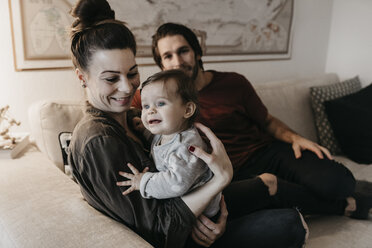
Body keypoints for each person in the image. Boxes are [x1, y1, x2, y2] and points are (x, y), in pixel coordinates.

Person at [67, 1, 308, 247]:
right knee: (289, 224)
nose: (128, 87)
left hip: (189, 205)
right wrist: (221, 179)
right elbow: (160, 230)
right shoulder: (99, 140)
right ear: (81, 77)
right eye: (111, 78)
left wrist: (217, 212)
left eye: (132, 73)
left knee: (268, 182)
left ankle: (346, 204)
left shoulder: (132, 117)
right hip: (182, 235)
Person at [132, 22, 372, 221]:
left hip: (266, 152)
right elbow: (134, 106)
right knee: (260, 191)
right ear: (161, 64)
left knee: (339, 182)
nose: (177, 61)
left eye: (183, 51)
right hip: (229, 173)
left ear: (197, 52)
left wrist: (296, 138)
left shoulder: (233, 82)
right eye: (167, 56)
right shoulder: (158, 101)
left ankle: (328, 192)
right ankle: (344, 206)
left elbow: (266, 121)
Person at [118, 69, 221, 218]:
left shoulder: (186, 146)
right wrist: (145, 130)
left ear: (187, 109)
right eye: (145, 106)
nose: (150, 111)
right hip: (186, 205)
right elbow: (158, 141)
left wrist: (143, 182)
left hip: (203, 211)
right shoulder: (169, 131)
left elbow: (176, 182)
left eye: (160, 103)